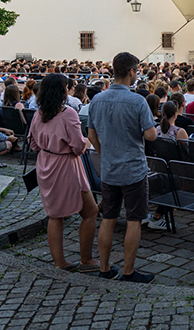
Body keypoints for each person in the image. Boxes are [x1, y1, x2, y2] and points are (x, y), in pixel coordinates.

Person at [87, 52, 158, 283]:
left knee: (108, 218)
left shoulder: (97, 99)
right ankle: (128, 271)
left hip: (109, 168)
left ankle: (105, 268)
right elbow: (151, 135)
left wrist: (104, 152)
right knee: (134, 220)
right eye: (136, 71)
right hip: (133, 170)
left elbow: (91, 134)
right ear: (131, 72)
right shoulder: (137, 101)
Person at [28, 73, 99, 273]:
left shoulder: (38, 113)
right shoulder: (68, 114)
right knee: (90, 212)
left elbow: (33, 143)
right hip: (66, 166)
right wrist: (86, 140)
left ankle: (59, 262)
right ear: (63, 91)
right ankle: (86, 259)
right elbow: (78, 147)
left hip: (45, 164)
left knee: (54, 215)